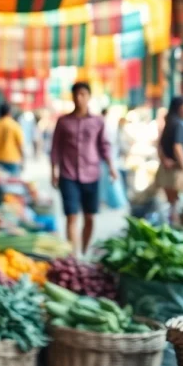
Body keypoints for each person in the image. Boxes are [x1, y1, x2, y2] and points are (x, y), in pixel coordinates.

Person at [51, 83, 116, 254]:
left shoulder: (98, 122)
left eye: (82, 94)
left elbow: (105, 146)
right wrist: (53, 171)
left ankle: (84, 251)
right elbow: (55, 148)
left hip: (92, 174)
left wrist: (111, 167)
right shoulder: (63, 122)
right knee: (71, 216)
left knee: (90, 217)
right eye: (76, 95)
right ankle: (74, 256)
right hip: (68, 174)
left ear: (88, 97)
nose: (79, 98)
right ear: (72, 97)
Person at [158, 96, 183, 223]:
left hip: (166, 170)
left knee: (171, 203)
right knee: (177, 205)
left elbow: (160, 146)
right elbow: (178, 148)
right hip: (175, 171)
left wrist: (164, 160)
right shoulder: (178, 124)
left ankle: (170, 225)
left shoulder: (168, 123)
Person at [0, 104, 25, 176]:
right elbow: (20, 145)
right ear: (9, 113)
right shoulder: (15, 126)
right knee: (12, 183)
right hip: (12, 160)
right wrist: (23, 160)